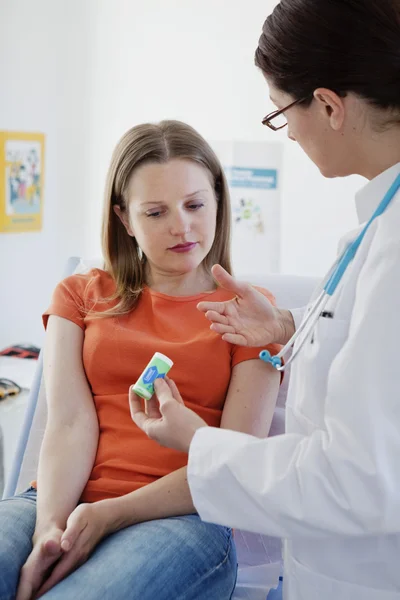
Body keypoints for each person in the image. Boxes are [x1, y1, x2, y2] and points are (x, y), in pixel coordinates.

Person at [130, 2, 400, 599]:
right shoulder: (380, 218)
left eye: (282, 113)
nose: (291, 133)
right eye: (154, 211)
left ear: (329, 106)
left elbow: (355, 480)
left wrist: (194, 441)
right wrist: (285, 322)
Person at [0, 120, 282, 600]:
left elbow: (233, 465)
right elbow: (67, 424)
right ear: (125, 219)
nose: (181, 226)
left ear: (218, 201)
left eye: (195, 204)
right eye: (155, 212)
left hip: (185, 521)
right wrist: (49, 525)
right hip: (57, 499)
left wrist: (111, 514)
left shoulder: (254, 316)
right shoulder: (79, 295)